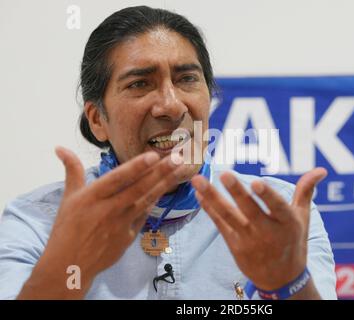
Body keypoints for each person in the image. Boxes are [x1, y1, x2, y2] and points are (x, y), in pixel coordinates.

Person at [0, 6, 336, 300]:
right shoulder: (36, 222)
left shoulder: (278, 215)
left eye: (187, 78)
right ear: (97, 119)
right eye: (140, 84)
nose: (171, 106)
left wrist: (287, 284)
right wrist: (71, 267)